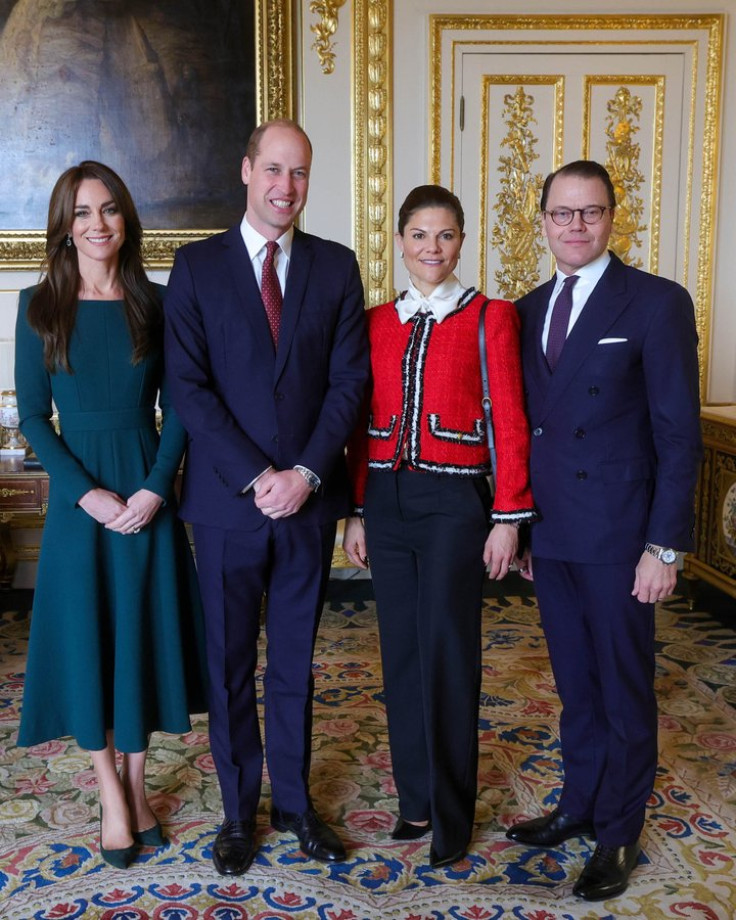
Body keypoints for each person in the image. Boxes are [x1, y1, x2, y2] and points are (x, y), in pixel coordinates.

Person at [163, 119, 369, 876]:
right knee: (226, 667)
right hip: (225, 507)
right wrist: (258, 475)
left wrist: (308, 474)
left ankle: (295, 806)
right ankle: (237, 813)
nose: (288, 187)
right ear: (247, 170)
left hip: (307, 507)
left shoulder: (336, 267)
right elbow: (188, 387)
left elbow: (350, 383)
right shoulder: (195, 268)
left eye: (302, 173)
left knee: (294, 665)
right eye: (275, 169)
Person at [506, 160, 702, 901]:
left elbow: (677, 434)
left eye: (590, 212)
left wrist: (664, 547)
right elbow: (527, 429)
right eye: (562, 214)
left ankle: (618, 833)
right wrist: (521, 530)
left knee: (624, 692)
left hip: (623, 539)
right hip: (552, 533)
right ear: (544, 222)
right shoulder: (525, 310)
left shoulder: (655, 303)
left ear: (613, 217)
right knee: (576, 688)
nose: (576, 226)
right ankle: (580, 804)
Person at [15, 161, 208, 869]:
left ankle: (136, 777)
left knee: (141, 637)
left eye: (110, 210)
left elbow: (184, 404)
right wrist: (86, 493)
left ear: (127, 219)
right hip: (81, 500)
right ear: (66, 225)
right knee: (90, 640)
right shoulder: (37, 305)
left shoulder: (157, 305)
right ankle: (110, 788)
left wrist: (158, 487)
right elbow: (34, 416)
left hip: (146, 488)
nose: (98, 224)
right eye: (84, 211)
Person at [343, 184, 536, 868]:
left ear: (462, 242)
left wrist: (509, 517)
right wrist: (358, 509)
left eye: (446, 235)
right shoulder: (374, 322)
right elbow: (359, 423)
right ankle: (414, 799)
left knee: (449, 652)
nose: (432, 248)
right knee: (400, 656)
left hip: (457, 506)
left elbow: (511, 420)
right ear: (399, 242)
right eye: (420, 235)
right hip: (389, 503)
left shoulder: (491, 317)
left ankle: (452, 817)